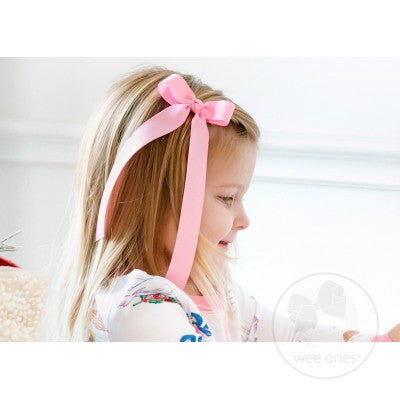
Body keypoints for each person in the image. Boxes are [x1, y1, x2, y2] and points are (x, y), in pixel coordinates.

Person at [38, 65, 396, 342]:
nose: (244, 219)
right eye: (227, 198)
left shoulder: (210, 287)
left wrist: (375, 344)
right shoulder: (141, 311)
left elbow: (288, 336)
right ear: (149, 201)